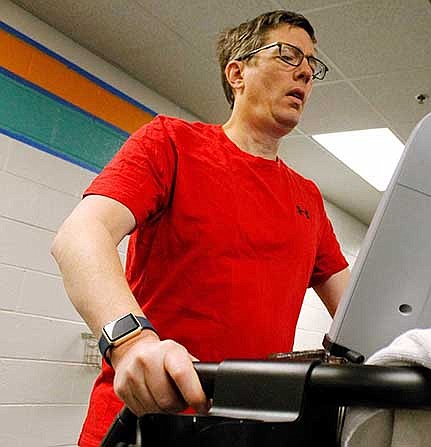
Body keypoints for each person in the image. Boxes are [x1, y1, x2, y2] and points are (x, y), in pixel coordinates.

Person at [51, 10, 350, 447]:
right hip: (149, 422)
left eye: (311, 64)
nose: (305, 71)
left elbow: (356, 316)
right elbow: (79, 236)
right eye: (287, 55)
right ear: (237, 73)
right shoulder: (171, 143)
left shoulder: (308, 198)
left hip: (251, 431)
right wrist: (131, 343)